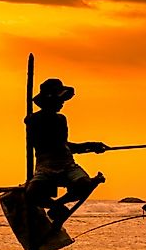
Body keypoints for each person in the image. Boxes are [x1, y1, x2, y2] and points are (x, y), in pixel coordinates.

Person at [24, 78, 109, 221]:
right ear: (49, 100)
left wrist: (91, 145)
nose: (62, 103)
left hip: (67, 165)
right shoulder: (33, 120)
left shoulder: (60, 119)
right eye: (60, 100)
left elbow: (63, 145)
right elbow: (48, 145)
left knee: (84, 185)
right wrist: (89, 146)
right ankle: (56, 207)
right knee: (31, 193)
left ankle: (57, 205)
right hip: (45, 167)